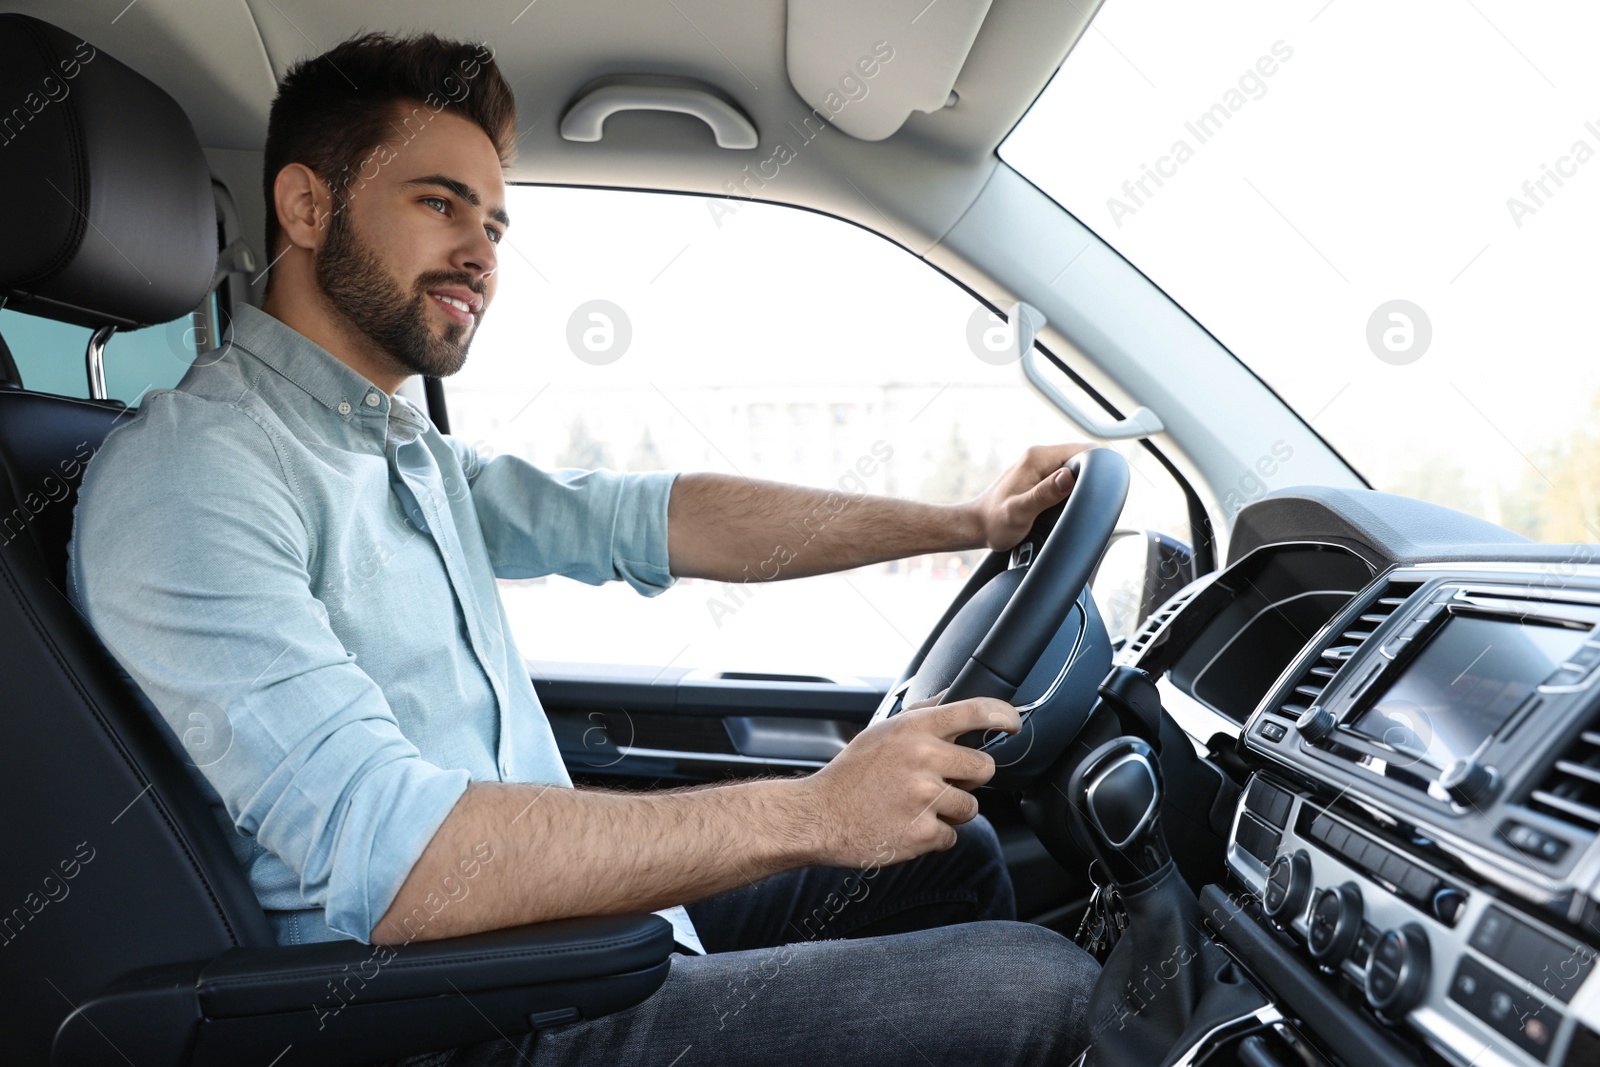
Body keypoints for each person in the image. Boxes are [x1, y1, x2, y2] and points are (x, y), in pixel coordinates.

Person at [67, 31, 1100, 1066]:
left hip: (559, 950)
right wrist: (815, 807)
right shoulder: (192, 479)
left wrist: (966, 521)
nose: (481, 251)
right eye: (438, 202)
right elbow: (404, 865)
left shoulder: (398, 447)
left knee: (945, 851)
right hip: (453, 1018)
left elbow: (651, 517)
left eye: (493, 221)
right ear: (304, 207)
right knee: (1048, 989)